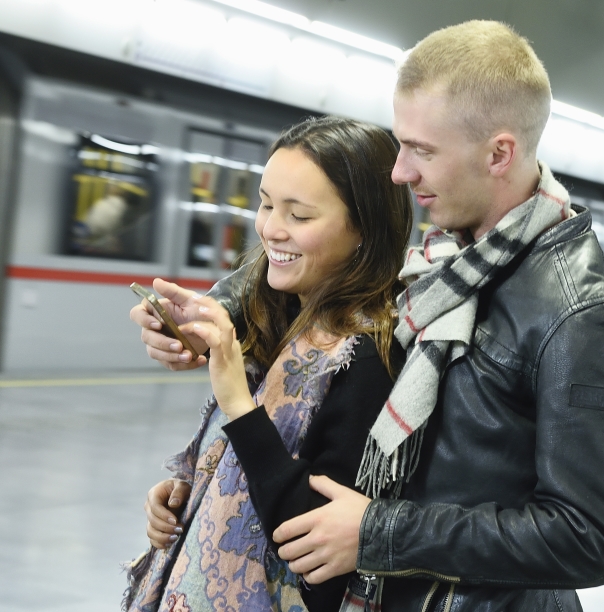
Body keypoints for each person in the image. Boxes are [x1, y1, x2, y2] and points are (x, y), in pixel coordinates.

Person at [133, 21, 604, 612]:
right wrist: (211, 317)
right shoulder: (442, 263)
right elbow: (316, 276)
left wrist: (379, 531)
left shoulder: (583, 319)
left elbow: (589, 539)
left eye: (422, 151)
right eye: (402, 144)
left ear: (499, 153)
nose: (400, 172)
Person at [124, 116, 412, 612]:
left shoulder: (368, 357)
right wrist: (190, 497)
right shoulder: (280, 318)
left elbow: (313, 545)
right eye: (265, 203)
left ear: (363, 228)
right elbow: (249, 470)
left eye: (300, 216)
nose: (272, 229)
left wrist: (238, 404)